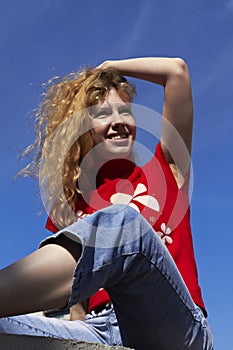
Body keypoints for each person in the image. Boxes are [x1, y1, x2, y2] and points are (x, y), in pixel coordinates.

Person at [0, 57, 213, 349]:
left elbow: (176, 71)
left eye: (125, 111)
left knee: (124, 222)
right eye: (102, 114)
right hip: (100, 329)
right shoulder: (73, 206)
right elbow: (77, 307)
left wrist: (111, 66)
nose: (118, 121)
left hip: (175, 326)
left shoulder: (167, 168)